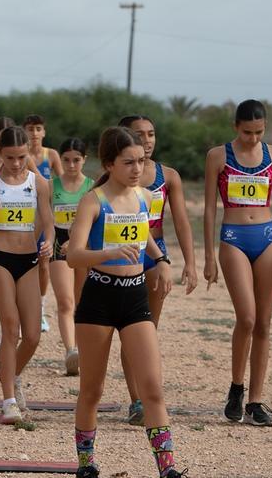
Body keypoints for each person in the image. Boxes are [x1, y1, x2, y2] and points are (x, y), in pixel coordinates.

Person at [66, 126, 183, 478]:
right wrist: (108, 252)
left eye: (141, 161)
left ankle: (168, 469)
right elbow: (73, 255)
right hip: (99, 299)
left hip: (134, 297)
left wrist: (161, 259)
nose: (136, 169)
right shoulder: (93, 200)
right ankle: (86, 464)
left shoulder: (145, 196)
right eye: (128, 162)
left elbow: (144, 233)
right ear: (109, 164)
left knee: (152, 389)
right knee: (92, 390)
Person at [203, 100, 272, 427]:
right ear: (236, 127)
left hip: (267, 237)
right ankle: (236, 387)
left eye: (259, 132)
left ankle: (255, 402)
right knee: (246, 317)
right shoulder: (218, 156)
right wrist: (208, 256)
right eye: (247, 132)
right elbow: (209, 209)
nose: (253, 138)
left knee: (263, 322)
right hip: (233, 237)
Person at [118, 115, 198, 425]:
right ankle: (136, 401)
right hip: (123, 253)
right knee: (129, 329)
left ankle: (148, 396)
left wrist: (190, 262)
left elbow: (181, 221)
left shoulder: (169, 176)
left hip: (155, 254)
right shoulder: (116, 176)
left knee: (147, 329)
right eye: (139, 134)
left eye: (151, 134)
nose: (147, 140)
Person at [0, 126, 54, 424]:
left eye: (21, 157)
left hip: (29, 261)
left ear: (28, 153)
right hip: (0, 260)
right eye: (10, 157)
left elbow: (48, 220)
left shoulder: (39, 183)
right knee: (10, 327)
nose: (17, 163)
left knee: (32, 336)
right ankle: (8, 401)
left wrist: (48, 241)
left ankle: (9, 373)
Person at [49, 138, 94, 376]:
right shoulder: (51, 186)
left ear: (84, 160)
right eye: (66, 160)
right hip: (59, 246)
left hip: (84, 247)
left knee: (82, 302)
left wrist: (78, 241)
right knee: (65, 301)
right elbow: (45, 219)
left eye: (76, 160)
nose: (71, 165)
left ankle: (85, 350)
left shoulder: (92, 187)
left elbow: (95, 222)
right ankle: (71, 351)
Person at [23, 114, 63, 333]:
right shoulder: (20, 154)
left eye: (38, 129)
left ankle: (39, 308)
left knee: (43, 262)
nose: (35, 133)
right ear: (24, 131)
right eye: (30, 129)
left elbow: (63, 183)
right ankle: (23, 309)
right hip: (25, 216)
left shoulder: (52, 155)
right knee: (24, 262)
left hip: (45, 215)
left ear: (44, 132)